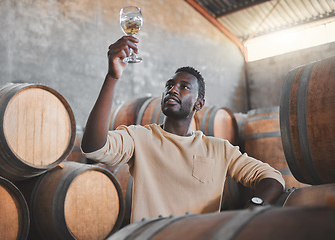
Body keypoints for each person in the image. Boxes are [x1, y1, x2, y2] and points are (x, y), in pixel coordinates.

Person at [81, 36, 285, 223]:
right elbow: (93, 148)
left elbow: (272, 178)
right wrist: (112, 77)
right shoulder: (140, 137)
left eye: (184, 87)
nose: (172, 89)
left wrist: (254, 206)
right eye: (169, 85)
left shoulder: (219, 149)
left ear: (198, 104)